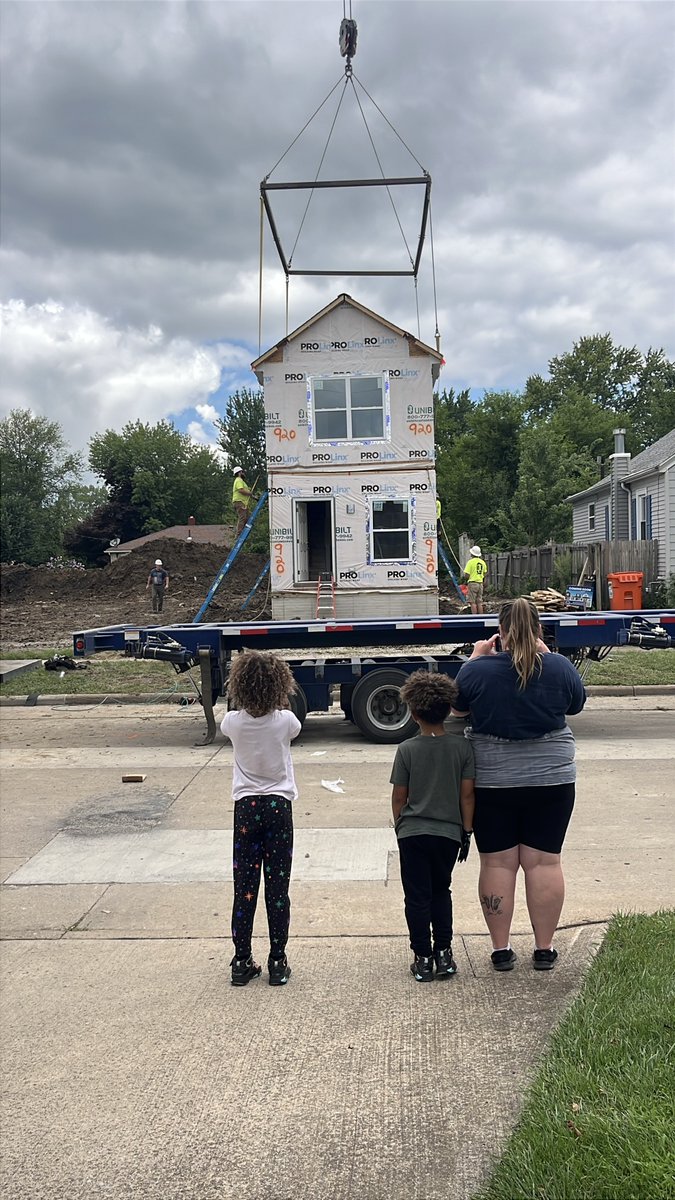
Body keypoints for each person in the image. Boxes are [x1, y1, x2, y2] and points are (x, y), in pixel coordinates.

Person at [452, 597, 586, 972]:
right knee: (544, 862)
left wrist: (476, 659)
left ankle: (501, 950)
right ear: (539, 631)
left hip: (494, 781)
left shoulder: (477, 671)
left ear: (501, 633)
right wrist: (547, 654)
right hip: (552, 779)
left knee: (498, 862)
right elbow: (575, 706)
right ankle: (544, 949)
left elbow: (458, 708)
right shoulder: (559, 668)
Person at [220, 650, 301, 987]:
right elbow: (293, 725)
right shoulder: (285, 722)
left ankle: (241, 960)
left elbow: (230, 720)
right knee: (277, 889)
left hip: (247, 807)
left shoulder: (232, 724)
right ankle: (278, 960)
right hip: (278, 806)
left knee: (245, 889)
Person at [390, 671, 475, 982]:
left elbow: (400, 797)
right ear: (449, 709)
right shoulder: (462, 748)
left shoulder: (407, 749)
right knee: (442, 890)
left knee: (416, 896)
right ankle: (444, 953)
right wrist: (466, 832)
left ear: (413, 713)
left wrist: (401, 828)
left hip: (413, 833)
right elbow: (467, 794)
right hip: (448, 833)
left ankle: (422, 957)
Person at [461, 545, 487, 614]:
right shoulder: (482, 562)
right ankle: (481, 617)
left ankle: (474, 617)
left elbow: (467, 575)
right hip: (480, 584)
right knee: (479, 601)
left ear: (472, 553)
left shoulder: (470, 562)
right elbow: (484, 574)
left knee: (472, 602)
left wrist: (466, 578)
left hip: (472, 583)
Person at [232, 466, 255, 538]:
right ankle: (238, 535)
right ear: (239, 473)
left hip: (243, 503)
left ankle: (244, 535)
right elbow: (241, 490)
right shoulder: (238, 480)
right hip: (239, 502)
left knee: (248, 519)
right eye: (242, 472)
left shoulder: (241, 481)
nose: (243, 473)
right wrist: (249, 493)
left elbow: (247, 492)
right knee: (243, 518)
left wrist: (254, 497)